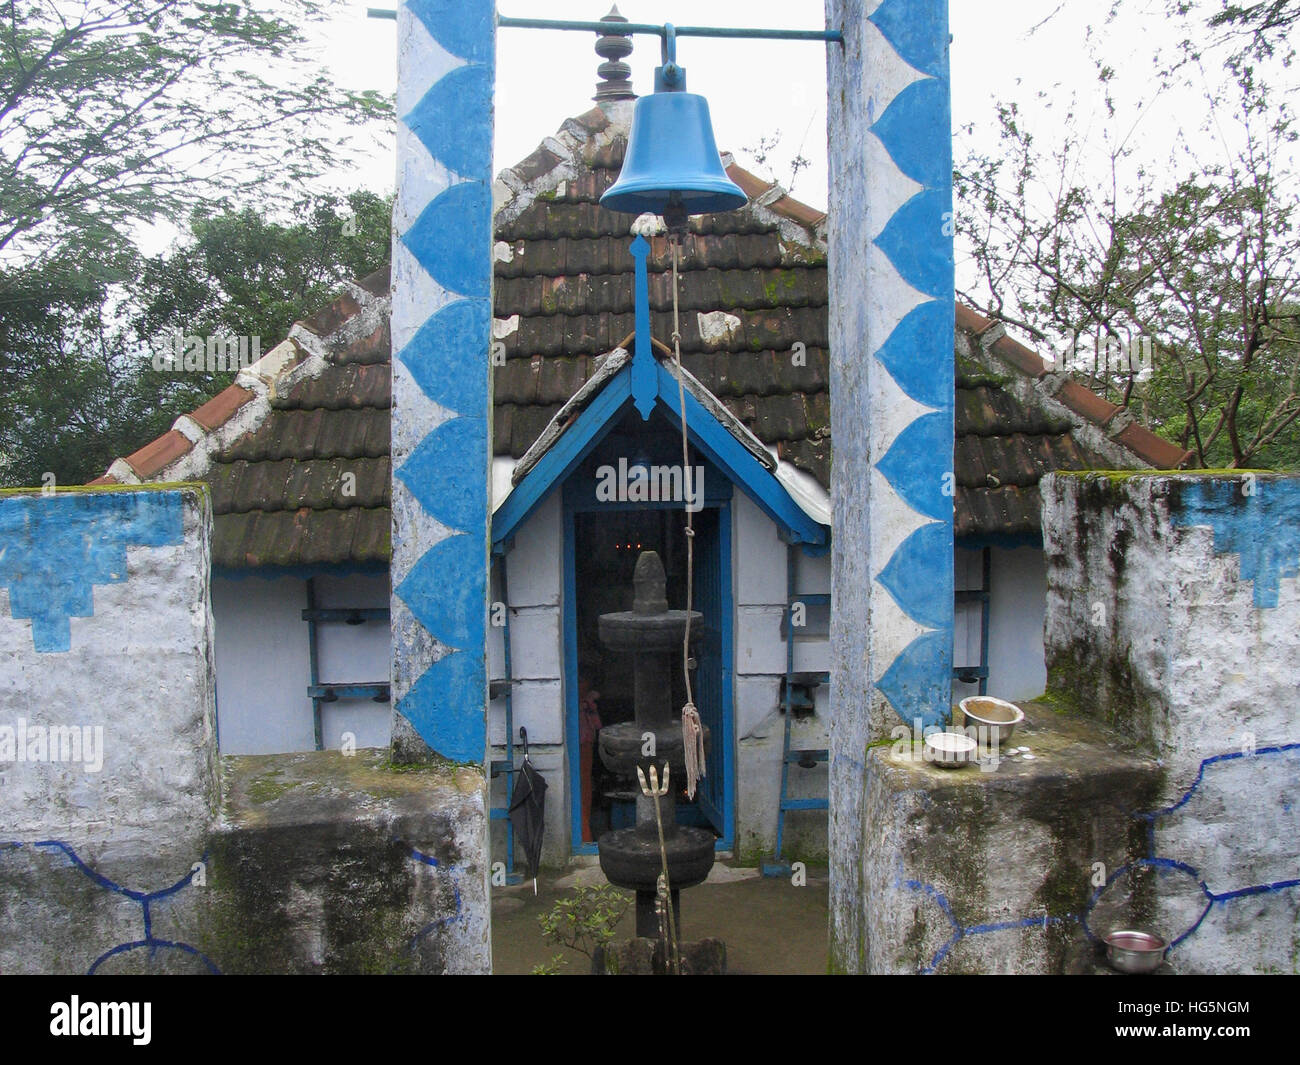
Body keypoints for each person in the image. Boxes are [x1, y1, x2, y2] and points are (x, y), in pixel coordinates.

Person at [578, 677, 602, 842]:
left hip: (584, 747)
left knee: (584, 790)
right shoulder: (585, 705)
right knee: (582, 790)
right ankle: (584, 836)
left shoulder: (586, 705)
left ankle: (585, 836)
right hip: (581, 747)